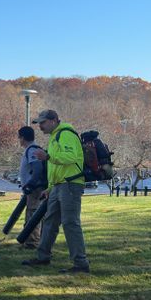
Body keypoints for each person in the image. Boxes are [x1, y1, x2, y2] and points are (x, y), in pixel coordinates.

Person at [22, 108, 90, 273]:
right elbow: (56, 168)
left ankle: (81, 264)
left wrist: (48, 157)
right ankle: (42, 256)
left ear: (53, 120)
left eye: (43, 123)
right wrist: (50, 188)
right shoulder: (54, 137)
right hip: (59, 186)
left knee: (70, 223)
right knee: (50, 221)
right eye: (39, 123)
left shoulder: (65, 133)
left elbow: (71, 157)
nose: (40, 126)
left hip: (70, 185)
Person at [17, 125, 46, 250]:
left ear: (23, 137)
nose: (19, 140)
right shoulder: (33, 149)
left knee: (33, 213)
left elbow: (37, 168)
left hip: (35, 189)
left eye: (19, 137)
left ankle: (32, 243)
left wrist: (31, 184)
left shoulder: (32, 150)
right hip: (34, 188)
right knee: (32, 213)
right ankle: (31, 240)